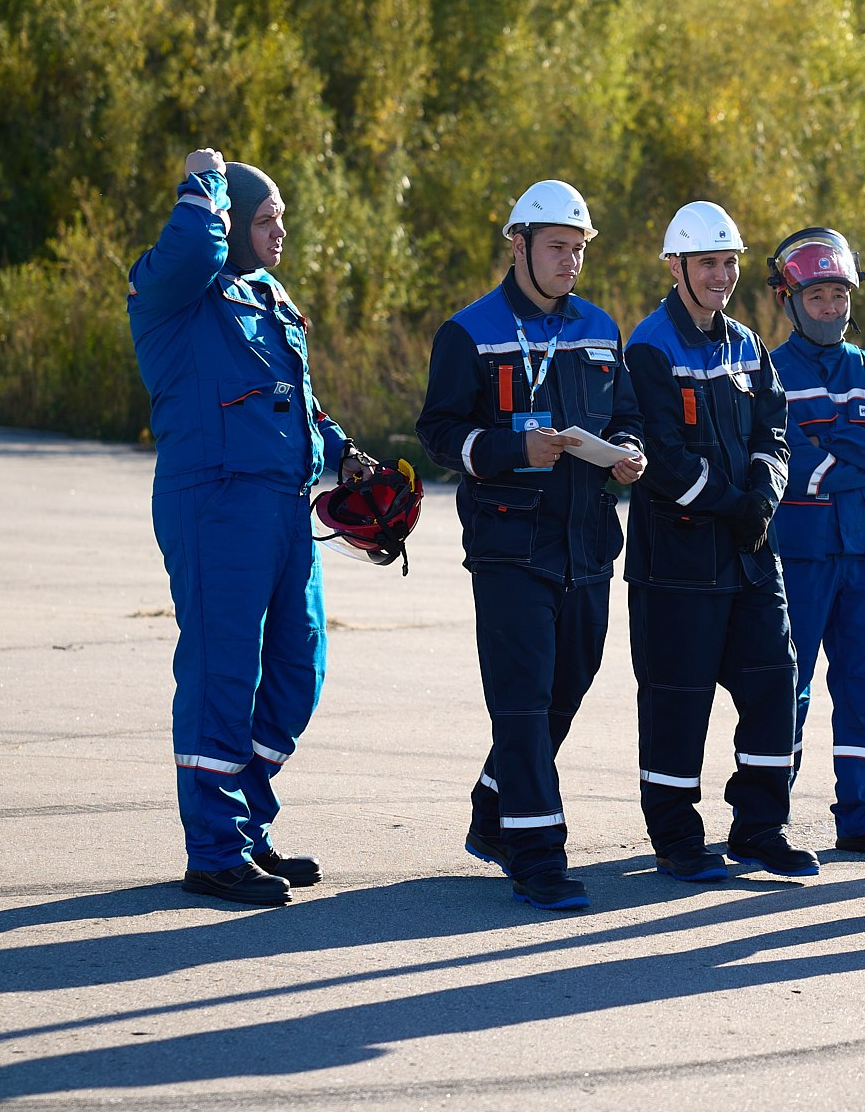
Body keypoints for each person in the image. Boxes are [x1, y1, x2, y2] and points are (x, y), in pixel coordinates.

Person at [127, 148, 377, 907]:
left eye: (282, 218)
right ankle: (214, 851)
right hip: (215, 503)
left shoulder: (270, 296)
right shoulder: (173, 293)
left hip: (285, 507)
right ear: (229, 222)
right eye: (266, 219)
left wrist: (344, 454)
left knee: (300, 670)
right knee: (223, 674)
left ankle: (246, 825)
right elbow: (192, 248)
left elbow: (295, 400)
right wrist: (204, 178)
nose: (280, 233)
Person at [416, 180, 646, 912]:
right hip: (510, 545)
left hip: (589, 543)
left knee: (565, 689)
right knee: (522, 699)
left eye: (578, 249)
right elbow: (439, 433)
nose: (569, 261)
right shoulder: (468, 332)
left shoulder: (601, 328)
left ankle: (494, 810)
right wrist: (514, 448)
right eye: (557, 247)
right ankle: (538, 855)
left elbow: (628, 415)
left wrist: (628, 451)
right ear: (518, 246)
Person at [623, 200, 813, 881]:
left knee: (775, 683)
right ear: (676, 267)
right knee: (676, 700)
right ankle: (675, 836)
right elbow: (662, 458)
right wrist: (736, 505)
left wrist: (764, 492)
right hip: (676, 563)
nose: (721, 276)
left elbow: (774, 430)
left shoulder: (749, 345)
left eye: (729, 262)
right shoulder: (649, 346)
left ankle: (760, 828)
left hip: (750, 555)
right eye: (707, 263)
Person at [763, 227, 865, 859]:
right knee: (789, 688)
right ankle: (767, 820)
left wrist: (830, 445)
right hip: (800, 555)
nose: (831, 308)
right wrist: (863, 455)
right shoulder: (770, 371)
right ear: (789, 300)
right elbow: (790, 463)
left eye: (839, 295)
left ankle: (863, 818)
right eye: (817, 296)